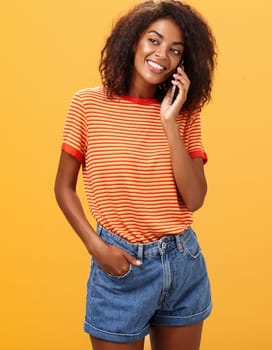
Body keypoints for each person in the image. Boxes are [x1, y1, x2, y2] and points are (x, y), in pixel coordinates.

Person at [54, 1, 217, 349]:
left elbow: (196, 198)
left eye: (175, 50)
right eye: (154, 41)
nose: (162, 54)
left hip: (182, 262)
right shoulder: (87, 105)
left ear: (183, 63)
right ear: (133, 41)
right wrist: (96, 247)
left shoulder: (184, 115)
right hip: (120, 267)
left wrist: (170, 122)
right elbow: (64, 188)